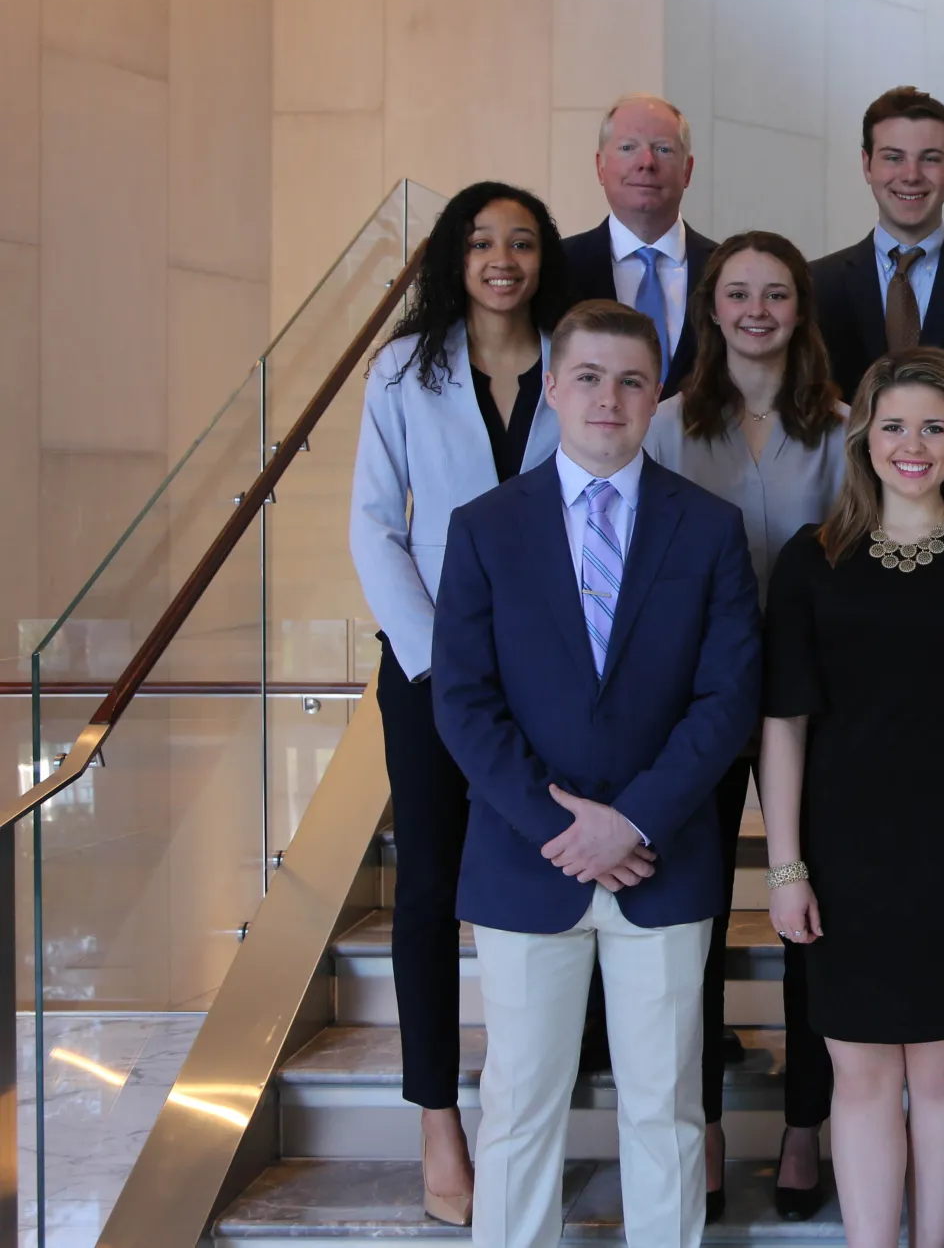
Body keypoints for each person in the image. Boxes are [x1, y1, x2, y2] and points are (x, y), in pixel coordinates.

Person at [431, 300, 762, 1248]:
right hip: (525, 864)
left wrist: (634, 822)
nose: (609, 398)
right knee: (520, 1111)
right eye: (588, 377)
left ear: (656, 393)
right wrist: (561, 827)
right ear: (555, 387)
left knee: (664, 1112)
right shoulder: (486, 528)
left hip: (663, 863)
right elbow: (463, 700)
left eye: (630, 379)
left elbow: (726, 698)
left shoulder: (708, 529)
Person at [758, 348, 944, 1248]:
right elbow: (784, 726)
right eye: (893, 426)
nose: (911, 444)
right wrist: (785, 869)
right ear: (864, 438)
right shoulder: (811, 561)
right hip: (840, 857)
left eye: (932, 426)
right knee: (859, 1076)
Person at [348, 179, 571, 1227]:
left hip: (555, 667)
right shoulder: (403, 366)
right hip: (434, 667)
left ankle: (529, 1108)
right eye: (482, 242)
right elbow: (372, 525)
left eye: (522, 242)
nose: (503, 260)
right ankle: (440, 1118)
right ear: (454, 256)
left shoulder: (576, 358)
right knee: (432, 884)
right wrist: (439, 662)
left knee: (545, 874)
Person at [641, 231, 847, 1223]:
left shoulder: (846, 430)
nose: (757, 309)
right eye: (738, 293)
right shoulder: (669, 425)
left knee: (812, 910)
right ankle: (705, 1125)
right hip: (696, 705)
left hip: (821, 705)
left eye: (777, 293)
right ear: (710, 311)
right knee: (697, 918)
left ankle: (807, 1125)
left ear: (800, 310)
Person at [811, 87, 944, 399]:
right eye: (894, 157)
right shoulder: (814, 284)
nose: (911, 175)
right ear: (867, 165)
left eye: (929, 159)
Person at [563, 93, 718, 398]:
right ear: (600, 167)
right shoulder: (558, 265)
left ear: (687, 170)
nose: (646, 163)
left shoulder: (724, 270)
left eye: (663, 149)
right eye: (627, 148)